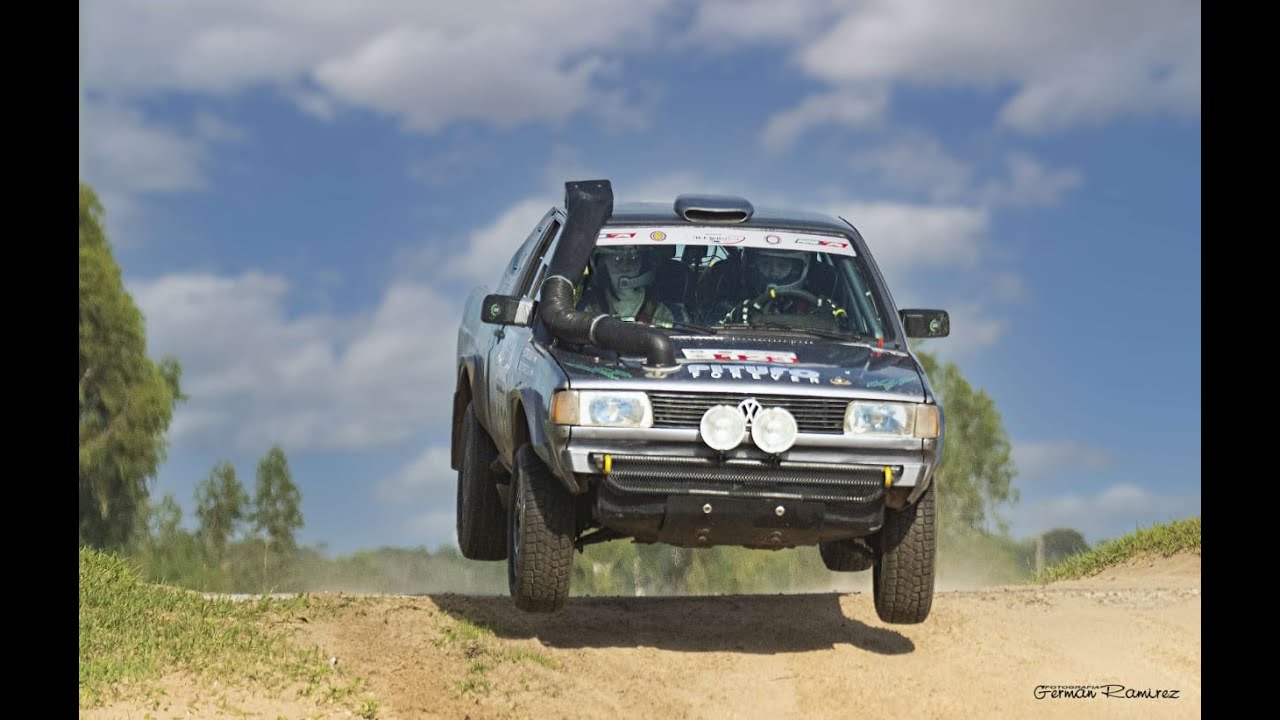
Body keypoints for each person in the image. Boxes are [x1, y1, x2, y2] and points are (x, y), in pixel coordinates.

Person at [716, 248, 849, 326]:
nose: (773, 272)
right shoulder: (732, 300)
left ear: (798, 269)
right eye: (766, 265)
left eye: (782, 266)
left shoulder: (822, 308)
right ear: (752, 266)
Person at [577, 245, 687, 326]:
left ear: (643, 265)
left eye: (633, 259)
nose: (625, 268)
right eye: (617, 260)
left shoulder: (672, 314)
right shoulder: (586, 310)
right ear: (603, 266)